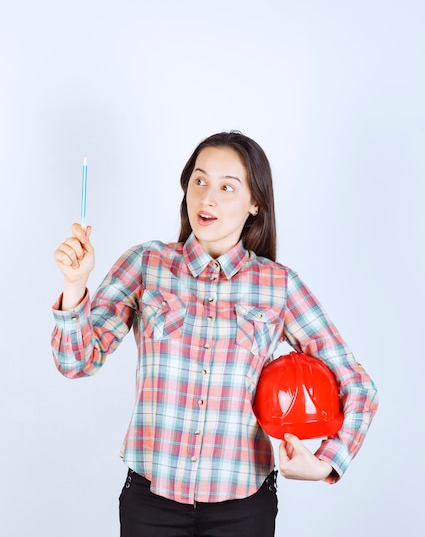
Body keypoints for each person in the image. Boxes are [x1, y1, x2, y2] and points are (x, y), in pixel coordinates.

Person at [52, 131, 378, 537]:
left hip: (243, 510)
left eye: (228, 187)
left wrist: (328, 461)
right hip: (150, 503)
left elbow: (358, 385)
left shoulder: (279, 286)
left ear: (255, 203)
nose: (208, 198)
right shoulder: (146, 265)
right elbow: (75, 362)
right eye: (200, 181)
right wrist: (74, 286)